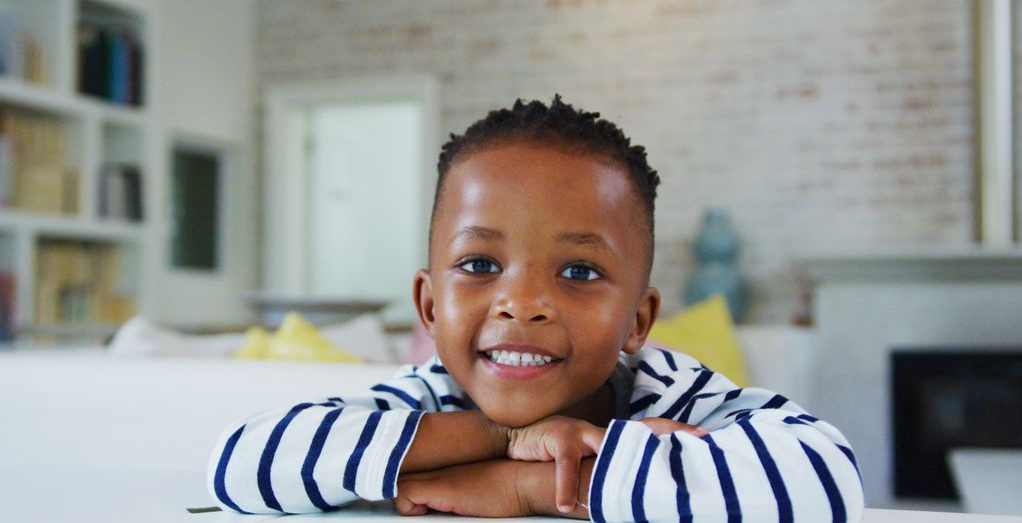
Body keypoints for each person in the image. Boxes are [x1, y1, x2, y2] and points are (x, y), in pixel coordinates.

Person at [207, 96, 864, 521]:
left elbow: (826, 481)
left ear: (638, 320)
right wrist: (504, 443)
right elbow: (241, 463)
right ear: (429, 307)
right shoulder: (425, 399)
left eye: (579, 271)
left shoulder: (675, 396)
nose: (522, 304)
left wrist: (532, 488)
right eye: (480, 265)